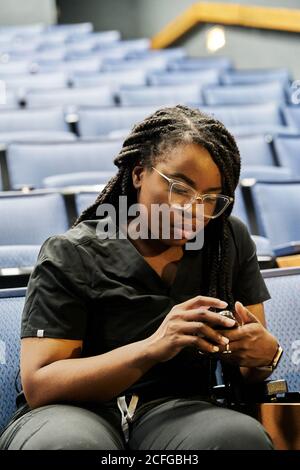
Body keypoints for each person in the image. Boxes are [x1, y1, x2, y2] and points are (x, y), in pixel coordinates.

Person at [0, 105, 279, 450]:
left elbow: (251, 366)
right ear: (138, 174)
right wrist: (152, 347)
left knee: (239, 439)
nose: (195, 211)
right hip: (70, 410)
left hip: (176, 410)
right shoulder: (73, 252)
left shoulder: (226, 241)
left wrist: (266, 355)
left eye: (211, 198)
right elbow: (41, 384)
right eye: (180, 188)